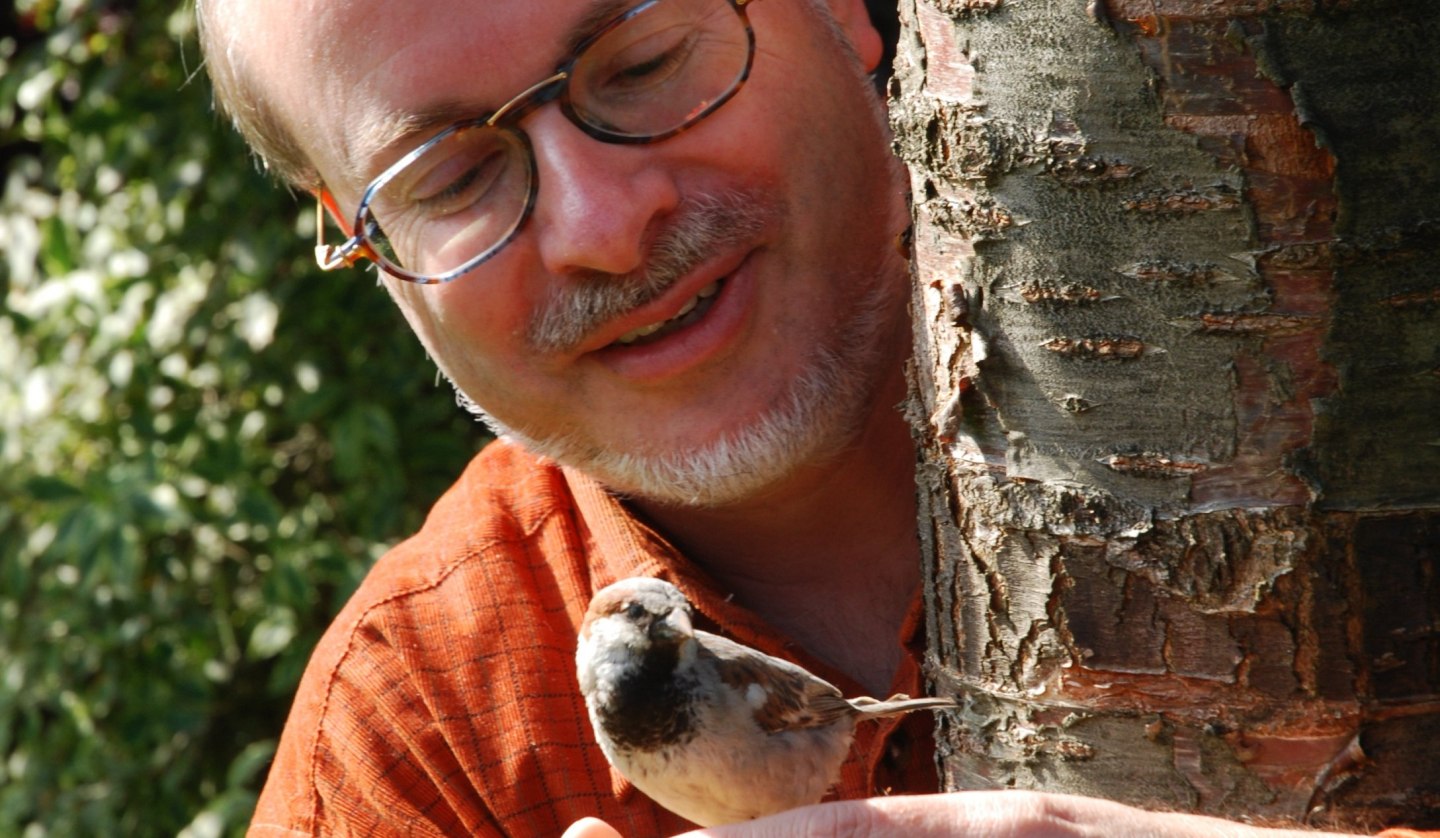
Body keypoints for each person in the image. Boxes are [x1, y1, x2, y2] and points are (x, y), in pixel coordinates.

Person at [195, 0, 1434, 835]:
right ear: (364, 238)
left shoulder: (1399, 373)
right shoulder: (416, 750)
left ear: (841, 2)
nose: (603, 225)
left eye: (641, 62)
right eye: (450, 179)